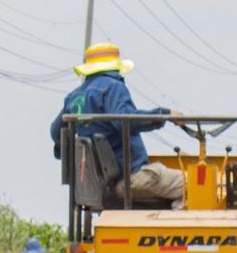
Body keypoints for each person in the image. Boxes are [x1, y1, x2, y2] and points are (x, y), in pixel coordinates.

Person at [48, 42, 184, 207]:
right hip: (129, 178)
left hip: (97, 185)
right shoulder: (113, 87)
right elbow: (124, 120)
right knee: (195, 187)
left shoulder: (75, 97)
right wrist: (165, 115)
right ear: (116, 66)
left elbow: (56, 134)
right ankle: (176, 230)